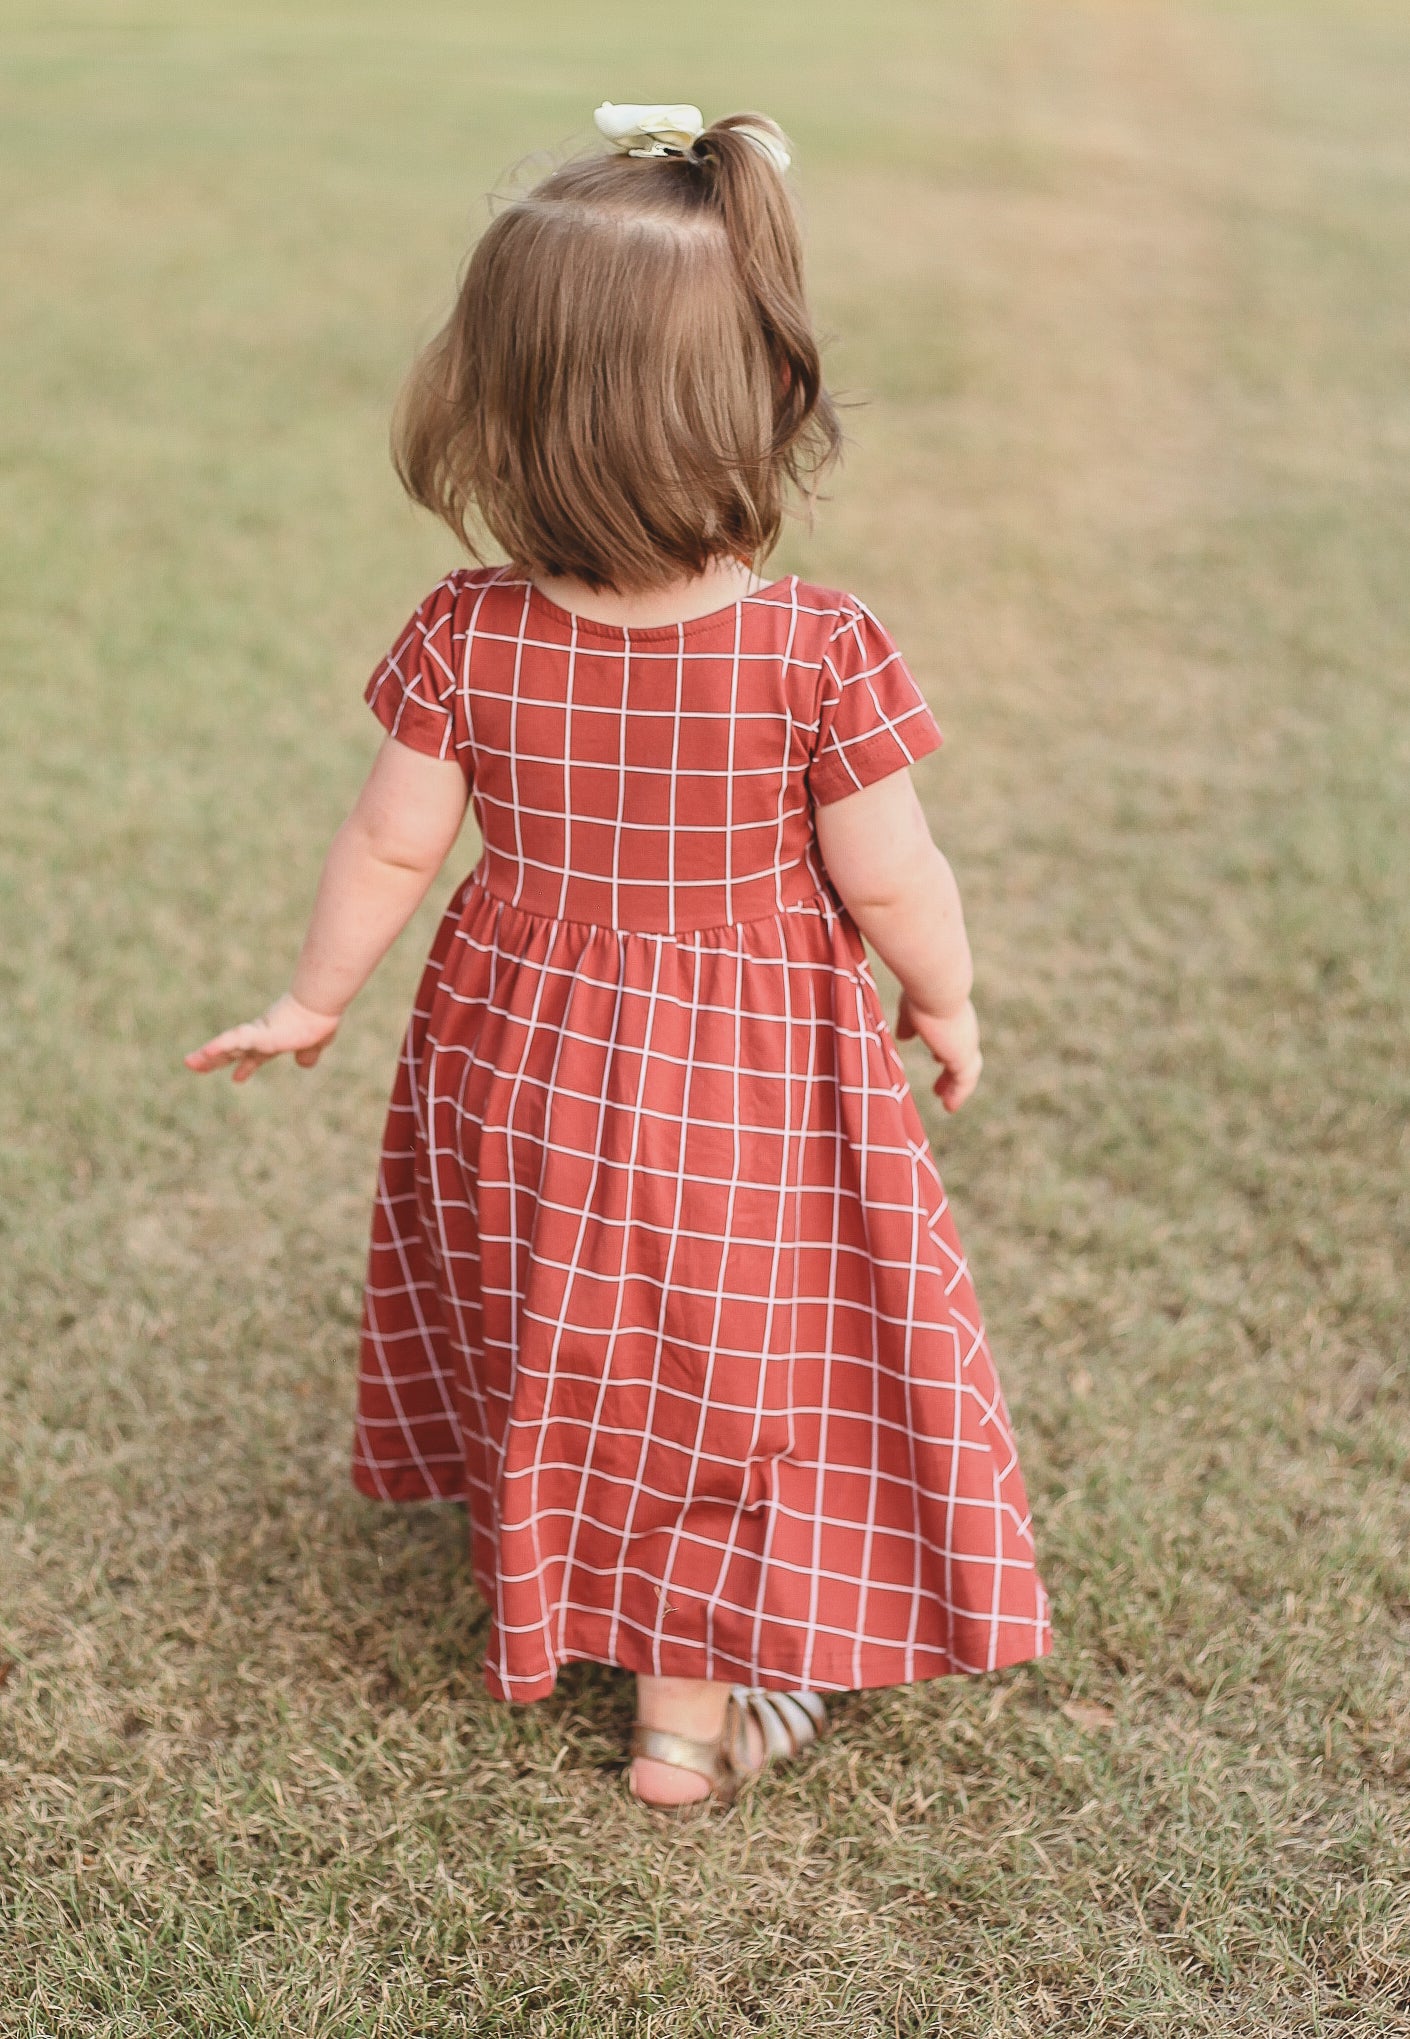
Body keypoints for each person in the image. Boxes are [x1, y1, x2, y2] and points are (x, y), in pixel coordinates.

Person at [185, 103, 1051, 1810]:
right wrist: (941, 999)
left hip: (518, 1055)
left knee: (567, 1321)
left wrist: (312, 999)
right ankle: (684, 1721)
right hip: (739, 1084)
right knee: (724, 1366)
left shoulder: (467, 632)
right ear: (761, 395)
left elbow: (388, 843)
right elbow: (892, 875)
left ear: (496, 403)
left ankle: (568, 1570)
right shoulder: (819, 647)